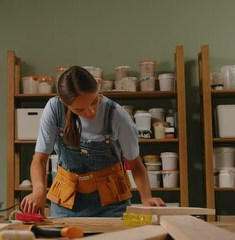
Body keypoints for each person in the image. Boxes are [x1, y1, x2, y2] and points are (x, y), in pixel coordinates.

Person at [20, 66, 166, 217]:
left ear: (97, 89)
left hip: (111, 205)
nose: (91, 112)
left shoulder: (117, 115)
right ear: (65, 102)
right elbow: (39, 159)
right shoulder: (54, 109)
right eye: (80, 109)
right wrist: (38, 189)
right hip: (66, 202)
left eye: (94, 101)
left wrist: (146, 198)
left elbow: (136, 164)